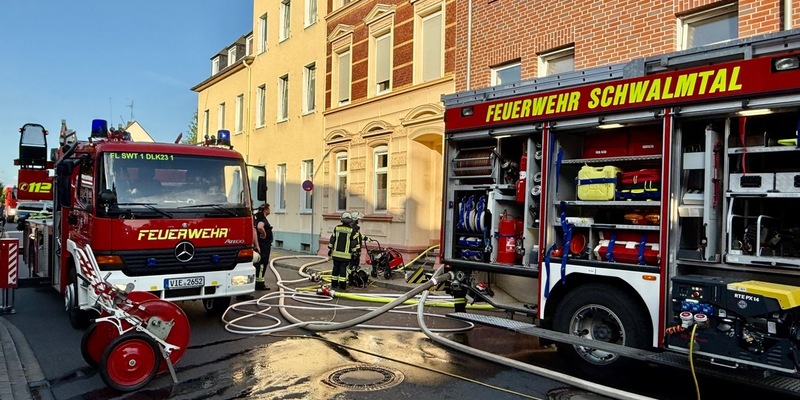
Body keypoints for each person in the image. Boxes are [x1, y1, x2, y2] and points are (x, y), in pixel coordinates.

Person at [327, 212, 361, 291]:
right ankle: (342, 287)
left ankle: (334, 285)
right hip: (346, 256)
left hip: (336, 254)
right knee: (343, 270)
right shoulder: (352, 230)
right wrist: (354, 252)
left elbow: (332, 239)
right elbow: (353, 243)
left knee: (335, 269)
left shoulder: (337, 228)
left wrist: (330, 249)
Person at [253, 203, 273, 290]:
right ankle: (260, 284)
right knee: (262, 263)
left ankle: (258, 282)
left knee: (260, 263)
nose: (270, 210)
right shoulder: (262, 219)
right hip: (264, 245)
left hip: (262, 244)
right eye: (269, 209)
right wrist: (264, 234)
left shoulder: (258, 218)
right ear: (265, 210)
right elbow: (260, 227)